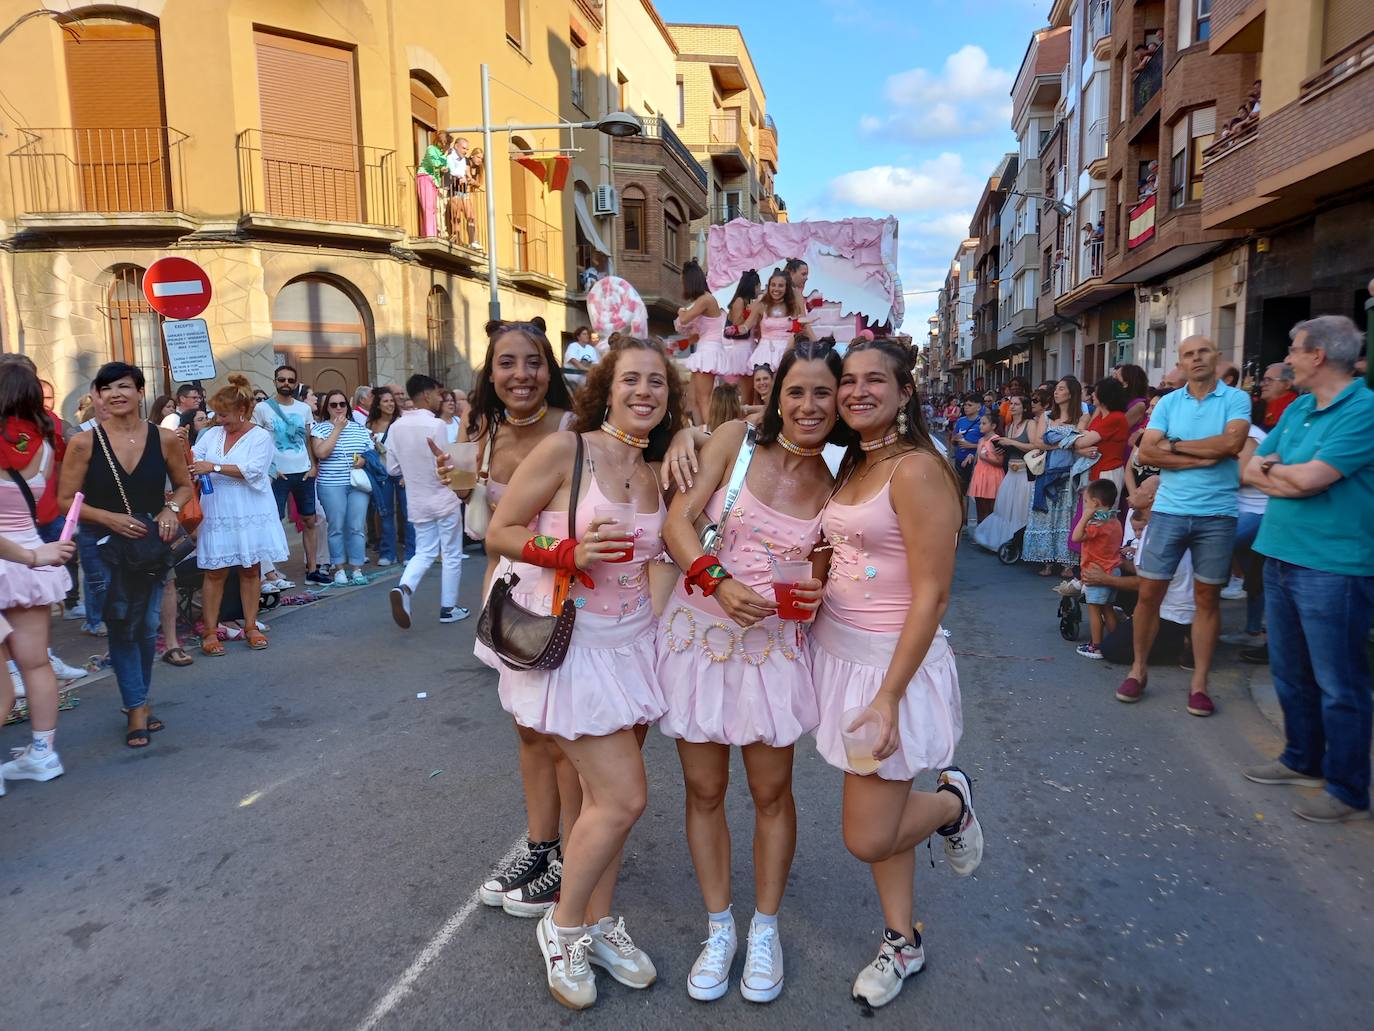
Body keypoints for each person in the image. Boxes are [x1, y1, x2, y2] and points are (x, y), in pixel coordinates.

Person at [485, 336, 683, 1010]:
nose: (645, 392)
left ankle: (598, 923)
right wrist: (565, 546)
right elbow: (500, 530)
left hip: (634, 650)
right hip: (572, 646)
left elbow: (661, 556)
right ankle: (563, 925)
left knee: (603, 806)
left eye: (657, 382)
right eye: (631, 379)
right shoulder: (568, 448)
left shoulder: (656, 466)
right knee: (625, 796)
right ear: (606, 386)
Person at [657, 342, 841, 1004]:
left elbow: (825, 569)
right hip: (700, 638)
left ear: (840, 399)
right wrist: (716, 577)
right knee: (704, 789)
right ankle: (719, 928)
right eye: (797, 391)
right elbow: (679, 521)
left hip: (772, 651)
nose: (809, 405)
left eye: (823, 393)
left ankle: (764, 928)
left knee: (771, 793)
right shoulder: (734, 438)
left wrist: (817, 589)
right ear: (776, 392)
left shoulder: (841, 475)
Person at [809, 337, 981, 1010]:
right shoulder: (852, 462)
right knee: (880, 802)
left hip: (890, 669)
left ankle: (952, 804)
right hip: (843, 657)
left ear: (906, 391)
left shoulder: (915, 469)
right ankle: (901, 939)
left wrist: (887, 697)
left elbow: (933, 593)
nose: (856, 390)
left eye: (874, 380)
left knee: (869, 831)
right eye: (846, 380)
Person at [449, 320, 578, 918]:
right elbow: (477, 524)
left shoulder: (574, 429)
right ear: (490, 372)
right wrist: (465, 482)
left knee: (563, 738)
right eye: (507, 363)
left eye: (533, 363)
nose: (521, 375)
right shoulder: (481, 432)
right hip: (506, 593)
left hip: (567, 593)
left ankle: (572, 860)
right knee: (528, 730)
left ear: (549, 370)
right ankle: (540, 844)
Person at [1241, 315, 1374, 823]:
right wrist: (1285, 477)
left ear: (1318, 355)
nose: (1287, 359)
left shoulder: (1363, 409)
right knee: (1290, 672)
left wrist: (1282, 475)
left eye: (1294, 350)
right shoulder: (1298, 407)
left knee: (1339, 682)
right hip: (1281, 554)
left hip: (1335, 566)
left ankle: (1347, 788)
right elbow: (1250, 469)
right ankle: (1302, 760)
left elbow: (1315, 479)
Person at [58, 362, 192, 748]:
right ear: (98, 396)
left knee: (147, 624)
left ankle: (139, 699)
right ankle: (136, 707)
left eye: (123, 387)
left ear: (139, 391)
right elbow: (66, 500)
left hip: (149, 544)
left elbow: (183, 486)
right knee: (121, 624)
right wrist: (111, 519)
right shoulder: (84, 443)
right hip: (103, 546)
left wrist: (171, 510)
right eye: (106, 389)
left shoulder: (164, 440)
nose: (115, 394)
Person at [1117, 336, 1249, 715]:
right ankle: (1138, 670)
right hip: (1170, 510)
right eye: (1188, 354)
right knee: (1149, 593)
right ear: (1181, 362)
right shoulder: (1170, 403)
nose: (1196, 359)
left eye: (1203, 351)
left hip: (1218, 513)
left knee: (1207, 599)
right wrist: (1200, 454)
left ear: (1217, 357)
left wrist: (1175, 447)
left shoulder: (1236, 400)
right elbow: (1147, 451)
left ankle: (1199, 684)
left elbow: (1232, 444)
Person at [0, 362, 78, 785]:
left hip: (13, 556)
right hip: (34, 553)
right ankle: (43, 752)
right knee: (35, 664)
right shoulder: (46, 447)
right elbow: (42, 504)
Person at [191, 374, 287, 656]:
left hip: (249, 509)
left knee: (250, 569)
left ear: (243, 411)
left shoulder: (260, 437)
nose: (219, 419)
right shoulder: (211, 434)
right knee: (215, 571)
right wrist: (186, 451)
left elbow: (255, 472)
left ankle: (251, 625)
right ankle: (210, 631)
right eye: (217, 414)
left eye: (224, 414)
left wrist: (215, 468)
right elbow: (196, 459)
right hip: (218, 508)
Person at [385, 374, 467, 627]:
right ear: (426, 394)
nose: (441, 398)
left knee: (424, 551)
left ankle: (405, 587)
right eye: (438, 393)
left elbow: (392, 469)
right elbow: (446, 464)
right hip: (443, 497)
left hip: (417, 499)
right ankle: (448, 607)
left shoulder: (396, 427)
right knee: (451, 553)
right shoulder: (436, 425)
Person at [1094, 477, 1194, 668]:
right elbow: (1146, 572)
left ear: (1152, 497)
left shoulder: (1157, 531)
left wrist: (1104, 579)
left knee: (1111, 649)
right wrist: (1120, 563)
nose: (1136, 490)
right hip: (1170, 601)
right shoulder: (1159, 524)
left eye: (1140, 487)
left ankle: (1179, 644)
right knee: (1121, 578)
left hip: (1172, 613)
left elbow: (1145, 582)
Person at [253, 365, 320, 588]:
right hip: (277, 475)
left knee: (310, 520)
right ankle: (272, 572)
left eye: (290, 380)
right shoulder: (262, 409)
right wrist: (270, 468)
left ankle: (312, 569)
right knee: (273, 522)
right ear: (274, 381)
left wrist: (313, 465)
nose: (286, 384)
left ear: (296, 383)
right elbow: (256, 443)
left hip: (304, 472)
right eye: (282, 379)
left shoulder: (303, 409)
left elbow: (309, 439)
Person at [312, 389, 376, 586]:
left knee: (357, 527)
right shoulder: (320, 429)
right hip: (331, 484)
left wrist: (364, 459)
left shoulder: (359, 428)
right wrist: (337, 429)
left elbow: (370, 452)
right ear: (327, 408)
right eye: (334, 405)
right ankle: (339, 568)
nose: (339, 408)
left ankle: (356, 568)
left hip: (357, 483)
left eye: (342, 404)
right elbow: (321, 453)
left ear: (347, 407)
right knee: (336, 527)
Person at [1023, 378, 1087, 576]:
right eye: (1056, 389)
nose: (1056, 393)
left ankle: (1067, 562)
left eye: (1061, 389)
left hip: (1071, 471)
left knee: (1067, 515)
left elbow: (1081, 440)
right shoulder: (1048, 416)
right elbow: (1039, 442)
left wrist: (1061, 442)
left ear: (1071, 393)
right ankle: (1046, 560)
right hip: (1049, 470)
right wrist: (1065, 443)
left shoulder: (1082, 415)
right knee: (1046, 515)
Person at [678, 259, 747, 422]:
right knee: (693, 400)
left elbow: (684, 318)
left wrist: (681, 310)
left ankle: (711, 433)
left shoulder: (706, 299)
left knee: (703, 399)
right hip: (704, 348)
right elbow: (696, 335)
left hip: (709, 352)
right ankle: (702, 431)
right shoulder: (702, 301)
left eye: (682, 281)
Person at [972, 394, 1034, 553]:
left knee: (1020, 511)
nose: (1012, 406)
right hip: (1011, 473)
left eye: (1016, 404)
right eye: (1011, 404)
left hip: (1024, 473)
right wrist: (1003, 447)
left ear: (1024, 408)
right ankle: (1006, 542)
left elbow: (1035, 446)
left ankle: (1020, 544)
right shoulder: (1009, 426)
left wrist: (1011, 442)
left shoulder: (1030, 424)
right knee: (1004, 509)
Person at [1072, 479, 1123, 660]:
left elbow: (1076, 537)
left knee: (1094, 610)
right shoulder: (1114, 520)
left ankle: (1096, 646)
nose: (1085, 505)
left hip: (1097, 573)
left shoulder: (1096, 525)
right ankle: (1118, 642)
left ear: (1094, 503)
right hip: (1113, 570)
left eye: (1086, 501)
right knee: (1107, 608)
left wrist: (1085, 516)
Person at [739, 269, 812, 375]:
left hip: (788, 351)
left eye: (780, 286)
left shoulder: (793, 306)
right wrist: (734, 329)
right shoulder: (762, 305)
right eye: (773, 285)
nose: (776, 289)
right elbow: (745, 327)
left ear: (786, 288)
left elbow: (800, 328)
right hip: (765, 352)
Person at [367, 386, 405, 566]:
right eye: (386, 401)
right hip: (382, 474)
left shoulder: (402, 421)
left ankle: (411, 553)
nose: (390, 404)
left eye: (392, 400)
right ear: (378, 405)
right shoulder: (371, 424)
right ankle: (388, 553)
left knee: (407, 513)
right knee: (385, 513)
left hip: (403, 473)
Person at [965, 408, 1004, 524]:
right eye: (980, 423)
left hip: (992, 475)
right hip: (980, 474)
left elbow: (1000, 462)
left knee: (991, 507)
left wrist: (986, 458)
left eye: (984, 423)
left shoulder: (996, 440)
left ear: (993, 426)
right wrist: (972, 457)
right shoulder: (981, 439)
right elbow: (978, 458)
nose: (980, 426)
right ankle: (981, 532)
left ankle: (991, 534)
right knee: (980, 505)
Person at [949, 395, 984, 493]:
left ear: (978, 407)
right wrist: (955, 439)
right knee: (960, 491)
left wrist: (972, 446)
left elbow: (988, 444)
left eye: (970, 405)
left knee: (973, 493)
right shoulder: (961, 421)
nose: (966, 407)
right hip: (959, 460)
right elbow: (953, 441)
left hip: (974, 461)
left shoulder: (982, 422)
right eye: (965, 405)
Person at [416, 129, 447, 237]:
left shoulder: (441, 153)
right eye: (445, 143)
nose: (446, 146)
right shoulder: (431, 149)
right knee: (428, 207)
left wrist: (444, 168)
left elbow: (444, 165)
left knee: (433, 208)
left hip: (434, 180)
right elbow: (434, 162)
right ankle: (429, 234)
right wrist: (442, 166)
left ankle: (432, 234)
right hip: (425, 177)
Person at [1259, 362, 1298, 429]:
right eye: (1264, 380)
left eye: (1269, 380)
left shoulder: (1297, 409)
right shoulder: (1258, 408)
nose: (1262, 384)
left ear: (1287, 384)